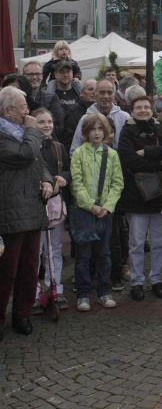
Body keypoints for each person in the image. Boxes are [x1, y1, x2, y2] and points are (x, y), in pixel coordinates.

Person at [0, 87, 54, 337]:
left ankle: (22, 315)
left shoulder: (25, 134)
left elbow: (39, 162)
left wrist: (47, 180)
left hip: (32, 207)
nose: (27, 111)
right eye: (23, 107)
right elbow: (24, 154)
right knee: (6, 271)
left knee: (30, 267)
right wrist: (33, 131)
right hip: (10, 211)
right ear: (8, 111)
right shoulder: (4, 136)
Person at [117, 95, 162, 302]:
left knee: (159, 242)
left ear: (152, 109)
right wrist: (156, 162)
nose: (143, 110)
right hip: (135, 195)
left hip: (159, 194)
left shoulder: (160, 129)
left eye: (146, 107)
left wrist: (145, 152)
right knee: (137, 242)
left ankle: (157, 279)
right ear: (132, 111)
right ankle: (137, 282)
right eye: (139, 107)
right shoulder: (126, 131)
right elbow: (128, 159)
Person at [70, 113, 124, 312]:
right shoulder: (79, 153)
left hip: (105, 212)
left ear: (106, 131)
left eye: (100, 129)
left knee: (104, 253)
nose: (97, 133)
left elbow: (117, 183)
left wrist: (108, 206)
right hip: (84, 211)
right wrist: (90, 205)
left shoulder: (112, 154)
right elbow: (77, 183)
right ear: (86, 132)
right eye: (92, 129)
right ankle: (83, 293)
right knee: (83, 255)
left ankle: (104, 291)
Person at [31, 108, 70, 310]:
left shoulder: (58, 147)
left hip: (54, 204)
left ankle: (56, 287)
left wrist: (64, 178)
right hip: (33, 205)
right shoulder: (29, 146)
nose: (46, 125)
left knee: (54, 249)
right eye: (41, 122)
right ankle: (34, 292)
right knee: (35, 251)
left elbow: (67, 169)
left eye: (49, 122)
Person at [70, 79, 130, 153]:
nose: (106, 96)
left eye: (109, 92)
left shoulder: (124, 117)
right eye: (102, 92)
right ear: (95, 94)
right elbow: (74, 150)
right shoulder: (85, 119)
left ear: (114, 95)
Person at [22, 60, 64, 128]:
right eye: (30, 74)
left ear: (42, 76)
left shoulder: (51, 98)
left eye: (38, 74)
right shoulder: (18, 98)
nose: (34, 77)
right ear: (23, 76)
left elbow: (58, 124)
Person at [59, 79, 96, 151]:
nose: (94, 92)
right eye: (90, 89)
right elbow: (68, 140)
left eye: (96, 90)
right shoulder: (72, 112)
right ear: (81, 93)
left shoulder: (102, 111)